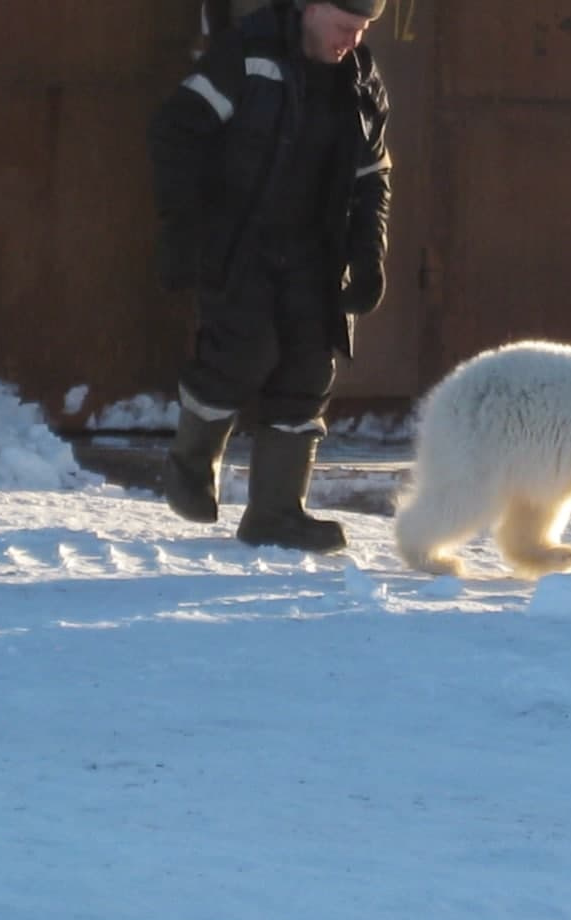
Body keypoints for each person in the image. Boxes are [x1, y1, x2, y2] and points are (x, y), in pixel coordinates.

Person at [148, 0, 391, 553]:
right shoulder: (246, 57)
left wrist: (368, 252)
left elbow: (374, 176)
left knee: (309, 370)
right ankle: (189, 464)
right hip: (240, 241)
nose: (352, 41)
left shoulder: (361, 81)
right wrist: (183, 228)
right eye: (345, 27)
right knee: (241, 354)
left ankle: (276, 514)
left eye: (362, 31)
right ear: (311, 8)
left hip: (313, 252)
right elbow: (174, 134)